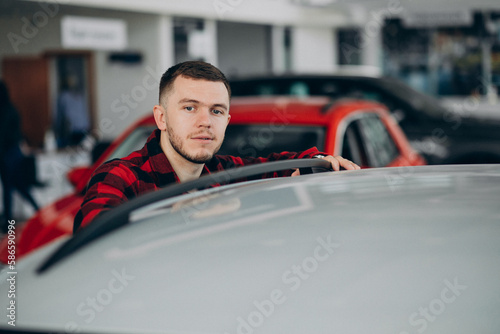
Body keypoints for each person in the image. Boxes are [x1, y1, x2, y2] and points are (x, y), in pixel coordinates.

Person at [73, 61, 359, 232]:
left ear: (227, 120)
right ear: (161, 117)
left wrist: (323, 161)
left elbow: (281, 165)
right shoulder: (120, 177)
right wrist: (179, 215)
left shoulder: (222, 172)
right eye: (189, 108)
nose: (205, 122)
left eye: (217, 111)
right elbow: (94, 249)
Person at [0, 80, 40, 231]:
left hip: (7, 154)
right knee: (19, 186)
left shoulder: (4, 111)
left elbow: (2, 135)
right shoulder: (12, 109)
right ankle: (38, 210)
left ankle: (8, 224)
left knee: (9, 188)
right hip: (15, 152)